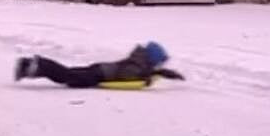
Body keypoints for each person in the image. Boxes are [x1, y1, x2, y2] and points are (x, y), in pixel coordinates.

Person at [13, 42, 182, 88]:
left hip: (99, 70)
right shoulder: (137, 66)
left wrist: (164, 73)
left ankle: (30, 67)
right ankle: (37, 64)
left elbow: (147, 72)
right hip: (99, 75)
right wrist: (146, 78)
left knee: (67, 75)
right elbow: (127, 75)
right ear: (152, 59)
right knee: (65, 76)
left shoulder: (138, 62)